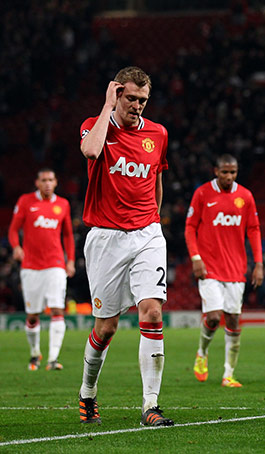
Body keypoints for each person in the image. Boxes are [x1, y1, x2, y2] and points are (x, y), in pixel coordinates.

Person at [78, 66, 173, 426]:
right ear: (117, 94)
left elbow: (156, 179)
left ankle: (150, 405)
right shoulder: (94, 124)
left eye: (143, 100)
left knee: (151, 311)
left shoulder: (158, 133)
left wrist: (154, 220)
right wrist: (106, 107)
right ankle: (87, 391)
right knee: (106, 327)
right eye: (131, 98)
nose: (137, 106)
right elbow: (89, 151)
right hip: (106, 237)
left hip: (147, 232)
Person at [185, 154, 264, 388]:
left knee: (233, 318)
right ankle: (202, 352)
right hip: (209, 267)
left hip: (236, 269)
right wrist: (196, 258)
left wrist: (258, 263)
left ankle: (228, 374)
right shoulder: (202, 193)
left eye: (233, 172)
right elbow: (190, 227)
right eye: (225, 172)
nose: (229, 177)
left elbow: (254, 230)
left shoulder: (245, 196)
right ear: (215, 171)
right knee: (213, 316)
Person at [8, 169, 75, 371]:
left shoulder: (63, 204)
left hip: (55, 264)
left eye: (51, 180)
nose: (47, 183)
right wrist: (16, 247)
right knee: (32, 315)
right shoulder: (26, 201)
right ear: (37, 182)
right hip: (31, 266)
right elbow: (13, 229)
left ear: (56, 183)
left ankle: (53, 359)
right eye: (44, 180)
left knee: (57, 309)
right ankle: (35, 354)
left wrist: (70, 261)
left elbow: (68, 236)